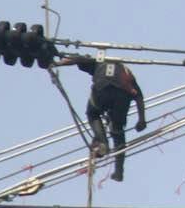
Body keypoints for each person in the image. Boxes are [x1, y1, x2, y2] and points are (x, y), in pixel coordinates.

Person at [54, 54, 146, 182]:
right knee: (118, 131)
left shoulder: (97, 62)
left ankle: (103, 143)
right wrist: (142, 120)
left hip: (103, 89)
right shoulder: (125, 71)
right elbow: (139, 97)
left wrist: (56, 64)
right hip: (123, 95)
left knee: (93, 113)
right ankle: (119, 172)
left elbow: (76, 59)